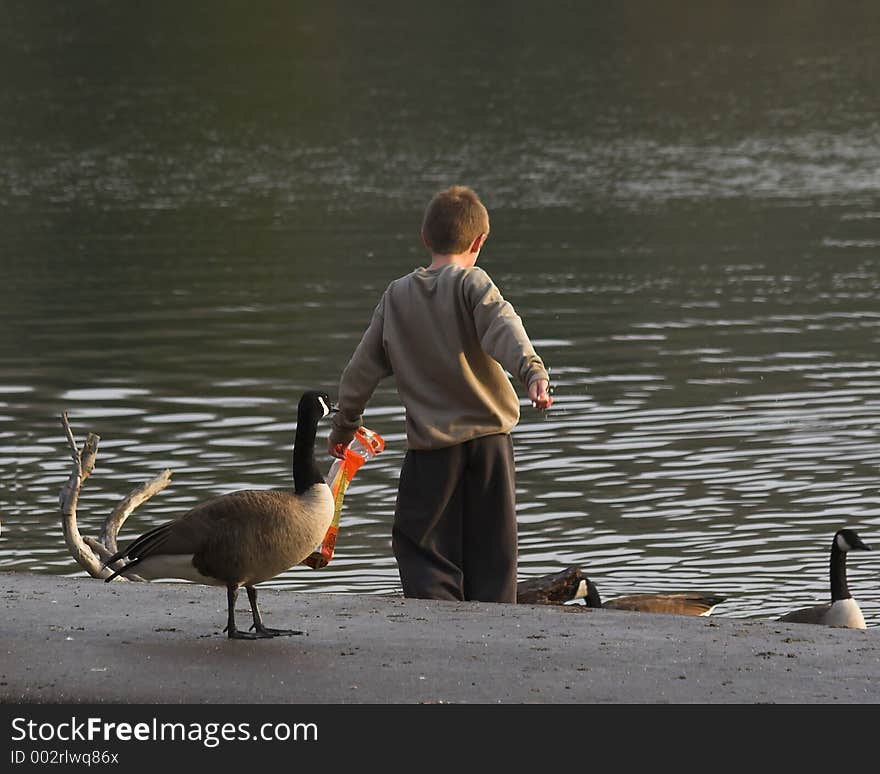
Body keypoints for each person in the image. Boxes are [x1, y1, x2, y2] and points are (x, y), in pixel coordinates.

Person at [327, 185, 552, 603]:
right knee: (493, 551)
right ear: (479, 242)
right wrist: (531, 372)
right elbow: (504, 325)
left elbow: (361, 370)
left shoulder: (396, 297)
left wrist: (345, 425)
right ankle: (493, 628)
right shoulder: (473, 284)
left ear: (425, 238)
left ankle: (438, 623)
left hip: (431, 453)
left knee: (421, 547)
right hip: (490, 447)